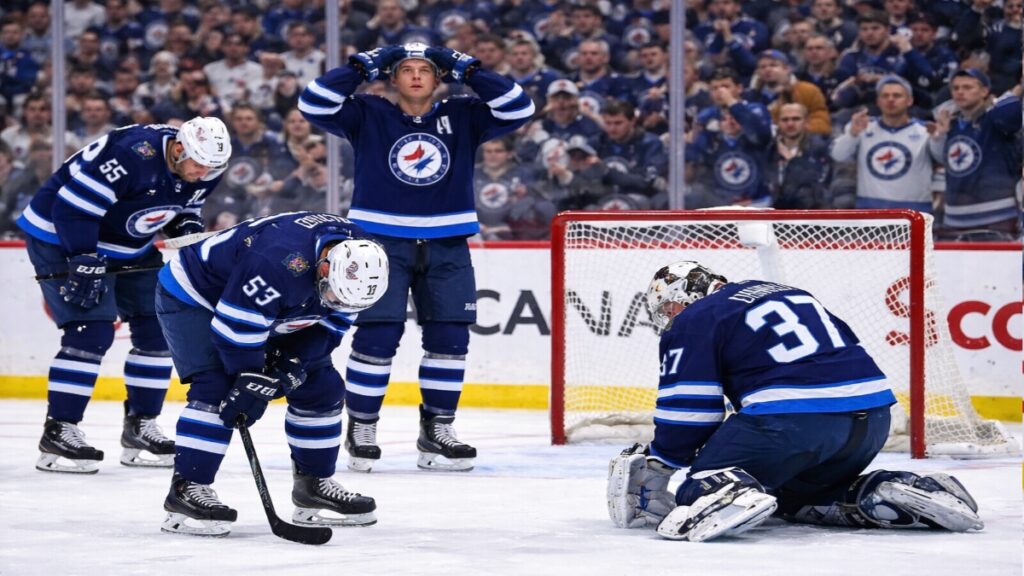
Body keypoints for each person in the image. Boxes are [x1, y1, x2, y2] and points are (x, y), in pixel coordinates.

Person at [606, 261, 985, 542]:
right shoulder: (786, 291)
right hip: (872, 421)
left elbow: (690, 411)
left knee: (701, 483)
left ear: (686, 296)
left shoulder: (696, 318)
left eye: (670, 310)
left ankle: (726, 491)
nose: (670, 320)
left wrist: (664, 460)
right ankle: (882, 491)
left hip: (791, 422)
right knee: (792, 495)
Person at [299, 42, 535, 472]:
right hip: (380, 243)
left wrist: (467, 67)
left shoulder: (463, 114)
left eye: (425, 69)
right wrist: (362, 64)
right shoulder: (369, 112)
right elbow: (313, 101)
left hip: (448, 242)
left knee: (450, 342)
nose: (415, 76)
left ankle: (438, 430)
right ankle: (363, 426)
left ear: (438, 77)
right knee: (376, 339)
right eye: (405, 68)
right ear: (391, 77)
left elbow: (519, 107)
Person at [16, 117, 232, 474]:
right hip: (62, 235)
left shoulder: (206, 166)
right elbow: (72, 208)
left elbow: (184, 207)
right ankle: (60, 428)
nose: (204, 172)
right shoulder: (132, 155)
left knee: (157, 331)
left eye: (212, 166)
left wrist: (188, 229)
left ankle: (140, 426)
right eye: (198, 163)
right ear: (178, 149)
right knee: (91, 330)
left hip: (128, 243)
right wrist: (82, 256)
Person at [155, 211, 388, 537]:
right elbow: (235, 330)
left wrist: (294, 363)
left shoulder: (361, 269)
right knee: (219, 386)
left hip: (275, 302)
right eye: (333, 295)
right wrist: (252, 382)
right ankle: (187, 489)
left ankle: (313, 484)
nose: (335, 303)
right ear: (324, 268)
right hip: (197, 294)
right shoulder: (277, 260)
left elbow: (331, 325)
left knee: (321, 386)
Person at [831, 76, 941, 213]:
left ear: (909, 101)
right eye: (885, 96)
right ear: (878, 101)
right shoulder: (863, 127)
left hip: (914, 211)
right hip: (870, 210)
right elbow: (838, 155)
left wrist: (938, 139)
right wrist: (852, 134)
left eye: (897, 95)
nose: (890, 100)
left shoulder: (925, 130)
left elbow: (941, 158)